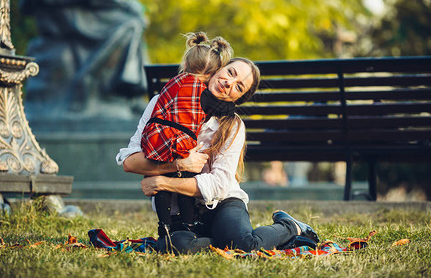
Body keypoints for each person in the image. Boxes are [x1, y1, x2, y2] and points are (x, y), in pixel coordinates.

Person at [118, 58, 320, 253]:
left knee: (243, 244)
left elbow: (219, 184)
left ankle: (289, 227)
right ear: (218, 70)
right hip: (178, 210)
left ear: (238, 99)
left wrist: (162, 182)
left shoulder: (232, 125)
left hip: (222, 202)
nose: (229, 83)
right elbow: (130, 162)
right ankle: (223, 241)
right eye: (230, 73)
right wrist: (179, 165)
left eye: (239, 87)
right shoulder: (162, 102)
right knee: (173, 247)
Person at [140, 32, 234, 238]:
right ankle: (188, 224)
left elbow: (161, 105)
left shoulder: (173, 82)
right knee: (185, 181)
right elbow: (223, 110)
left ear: (187, 62)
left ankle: (163, 226)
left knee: (161, 182)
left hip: (156, 138)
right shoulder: (203, 91)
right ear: (213, 72)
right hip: (181, 143)